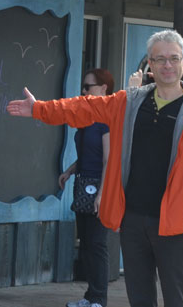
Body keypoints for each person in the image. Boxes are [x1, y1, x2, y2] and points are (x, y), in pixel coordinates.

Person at [8, 29, 183, 307]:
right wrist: (39, 109)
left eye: (174, 58)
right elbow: (84, 108)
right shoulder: (129, 102)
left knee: (178, 301)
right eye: (160, 59)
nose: (167, 65)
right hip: (133, 220)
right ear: (150, 63)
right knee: (139, 300)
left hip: (176, 224)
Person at [58, 68, 114, 307]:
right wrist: (70, 171)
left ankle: (99, 298)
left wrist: (102, 193)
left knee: (98, 243)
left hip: (99, 187)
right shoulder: (85, 118)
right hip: (82, 184)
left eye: (88, 87)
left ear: (103, 89)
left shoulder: (106, 119)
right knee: (87, 243)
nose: (83, 91)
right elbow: (87, 155)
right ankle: (91, 296)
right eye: (83, 86)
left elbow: (108, 159)